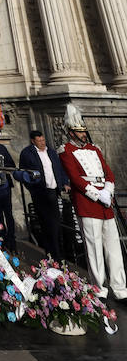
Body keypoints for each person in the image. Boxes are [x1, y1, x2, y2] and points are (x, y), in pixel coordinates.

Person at [59, 105, 127, 299]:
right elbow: (75, 178)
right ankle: (99, 288)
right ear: (71, 132)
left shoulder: (94, 148)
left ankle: (120, 288)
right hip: (88, 202)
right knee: (94, 248)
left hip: (105, 202)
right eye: (79, 132)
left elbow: (108, 172)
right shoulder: (66, 150)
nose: (83, 135)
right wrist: (97, 195)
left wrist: (108, 190)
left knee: (113, 246)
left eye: (83, 132)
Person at [19, 129, 69, 262]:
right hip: (40, 192)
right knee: (46, 223)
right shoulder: (27, 153)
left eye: (43, 140)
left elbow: (59, 168)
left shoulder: (51, 152)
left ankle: (58, 253)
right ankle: (50, 253)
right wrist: (32, 188)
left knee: (56, 224)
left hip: (53, 191)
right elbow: (23, 173)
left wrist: (64, 182)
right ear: (33, 141)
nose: (42, 143)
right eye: (39, 141)